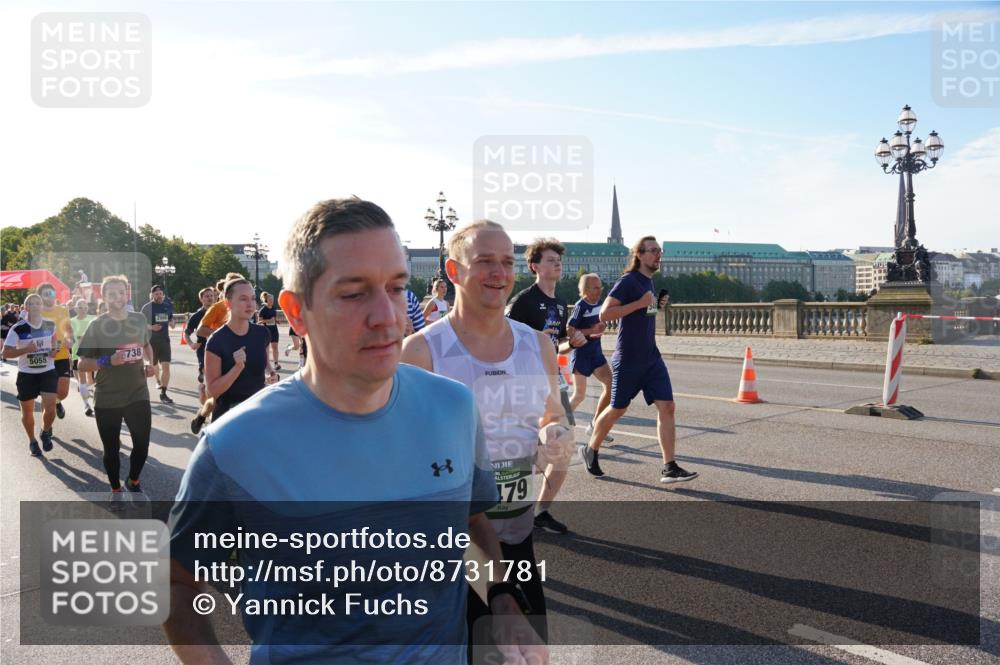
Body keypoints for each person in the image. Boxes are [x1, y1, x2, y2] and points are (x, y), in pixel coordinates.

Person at [165, 198, 544, 665]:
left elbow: (467, 527)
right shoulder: (234, 445)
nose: (387, 315)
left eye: (396, 288)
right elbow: (177, 583)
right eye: (353, 292)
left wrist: (501, 598)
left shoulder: (454, 408)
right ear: (296, 312)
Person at [402, 219, 575, 642]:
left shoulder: (539, 345)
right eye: (484, 262)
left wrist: (555, 435)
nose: (499, 272)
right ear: (454, 271)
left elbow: (552, 414)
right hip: (450, 551)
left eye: (506, 262)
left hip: (517, 538)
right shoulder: (421, 352)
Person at [580, 236, 699, 484]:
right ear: (640, 255)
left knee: (667, 406)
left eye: (659, 251)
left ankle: (669, 466)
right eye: (653, 251)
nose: (658, 255)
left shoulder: (648, 282)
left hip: (651, 357)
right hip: (629, 358)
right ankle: (591, 448)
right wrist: (640, 302)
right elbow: (606, 313)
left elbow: (645, 314)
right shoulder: (629, 280)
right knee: (617, 408)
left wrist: (656, 305)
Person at [504, 238, 587, 534]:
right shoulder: (523, 301)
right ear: (534, 266)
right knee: (523, 450)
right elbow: (504, 341)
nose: (557, 264)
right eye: (551, 260)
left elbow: (554, 347)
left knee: (563, 448)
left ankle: (541, 512)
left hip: (553, 382)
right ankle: (509, 509)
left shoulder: (558, 304)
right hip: (525, 384)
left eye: (558, 260)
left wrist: (570, 343)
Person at [77, 275, 157, 493]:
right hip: (107, 397)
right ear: (104, 296)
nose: (117, 297)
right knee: (111, 449)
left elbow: (146, 346)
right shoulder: (97, 324)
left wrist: (151, 363)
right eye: (111, 293)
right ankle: (115, 489)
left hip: (137, 393)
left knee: (142, 444)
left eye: (121, 292)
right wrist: (107, 361)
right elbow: (81, 364)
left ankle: (133, 479)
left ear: (127, 294)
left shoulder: (139, 319)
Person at [204, 277, 278, 420]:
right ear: (228, 303)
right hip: (229, 418)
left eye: (252, 298)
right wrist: (237, 368)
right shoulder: (217, 340)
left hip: (257, 413)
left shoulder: (262, 333)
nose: (250, 304)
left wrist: (271, 373)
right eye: (243, 299)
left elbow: (266, 364)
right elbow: (212, 391)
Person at [2, 294, 58, 456]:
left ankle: (45, 431)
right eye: (31, 304)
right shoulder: (18, 328)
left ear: (42, 306)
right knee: (27, 412)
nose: (35, 306)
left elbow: (54, 341)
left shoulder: (50, 324)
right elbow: (5, 352)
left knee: (51, 409)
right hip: (27, 374)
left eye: (38, 303)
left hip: (47, 371)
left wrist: (54, 350)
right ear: (26, 308)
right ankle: (32, 441)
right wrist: (25, 350)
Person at [567, 273, 613, 441]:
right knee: (579, 395)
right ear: (585, 290)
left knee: (610, 386)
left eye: (600, 286)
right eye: (595, 287)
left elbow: (601, 323)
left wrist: (601, 326)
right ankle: (559, 424)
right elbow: (570, 329)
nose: (600, 290)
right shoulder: (581, 306)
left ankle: (596, 425)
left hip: (596, 352)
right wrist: (590, 331)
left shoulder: (601, 303)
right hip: (581, 354)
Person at [191, 276, 238, 434]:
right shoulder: (218, 307)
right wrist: (223, 334)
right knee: (215, 398)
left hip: (238, 357)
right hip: (217, 355)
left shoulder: (245, 305)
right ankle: (202, 415)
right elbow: (200, 330)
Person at [36, 283, 73, 421]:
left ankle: (57, 402)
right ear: (40, 296)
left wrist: (69, 338)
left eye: (51, 293)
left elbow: (68, 329)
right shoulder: (36, 312)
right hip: (44, 356)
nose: (48, 296)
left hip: (61, 354)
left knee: (63, 392)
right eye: (45, 294)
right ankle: (47, 426)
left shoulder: (63, 310)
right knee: (46, 395)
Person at [141, 285, 176, 404]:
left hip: (165, 341)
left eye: (160, 294)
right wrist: (151, 327)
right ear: (152, 295)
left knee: (166, 366)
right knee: (153, 365)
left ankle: (163, 393)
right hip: (151, 342)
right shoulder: (147, 307)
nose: (159, 296)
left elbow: (171, 318)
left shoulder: (167, 306)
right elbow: (140, 324)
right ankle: (157, 380)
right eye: (156, 294)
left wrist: (172, 322)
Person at [69, 297, 97, 417]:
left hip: (94, 353)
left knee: (95, 381)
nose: (83, 310)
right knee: (82, 381)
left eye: (85, 307)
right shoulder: (71, 321)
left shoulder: (94, 319)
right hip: (78, 353)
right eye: (80, 307)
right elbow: (68, 338)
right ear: (75, 309)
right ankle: (86, 405)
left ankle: (96, 401)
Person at [257, 291, 281, 371]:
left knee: (275, 346)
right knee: (266, 348)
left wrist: (276, 321)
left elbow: (273, 318)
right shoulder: (263, 310)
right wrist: (268, 320)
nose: (271, 300)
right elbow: (259, 321)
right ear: (266, 300)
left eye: (272, 299)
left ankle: (276, 364)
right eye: (270, 299)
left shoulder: (274, 308)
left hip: (274, 329)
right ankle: (265, 364)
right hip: (266, 330)